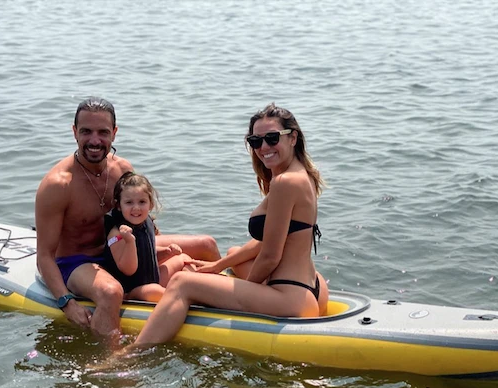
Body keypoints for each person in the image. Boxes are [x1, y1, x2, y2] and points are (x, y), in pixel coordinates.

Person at [131, 103, 329, 348]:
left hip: (291, 298)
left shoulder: (284, 183)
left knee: (183, 282)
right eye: (256, 141)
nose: (263, 147)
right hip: (313, 288)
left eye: (272, 138)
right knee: (235, 253)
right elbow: (267, 241)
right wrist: (218, 266)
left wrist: (240, 291)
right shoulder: (302, 175)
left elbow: (270, 256)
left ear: (293, 138)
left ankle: (130, 354)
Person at [35, 97, 220, 340]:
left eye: (103, 132)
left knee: (206, 245)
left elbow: (141, 215)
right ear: (74, 132)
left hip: (121, 246)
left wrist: (156, 250)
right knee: (112, 292)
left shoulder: (121, 169)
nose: (94, 140)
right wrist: (66, 302)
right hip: (77, 261)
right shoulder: (58, 184)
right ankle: (112, 359)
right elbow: (44, 256)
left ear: (114, 133)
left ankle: (230, 308)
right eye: (86, 131)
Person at [104, 171, 195, 302]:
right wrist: (129, 242)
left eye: (142, 202)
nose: (136, 208)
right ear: (119, 206)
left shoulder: (146, 222)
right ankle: (185, 296)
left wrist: (167, 251)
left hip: (152, 279)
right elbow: (128, 269)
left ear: (150, 204)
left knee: (184, 259)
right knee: (154, 290)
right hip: (132, 289)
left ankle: (190, 290)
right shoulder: (117, 234)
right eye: (129, 202)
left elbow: (146, 252)